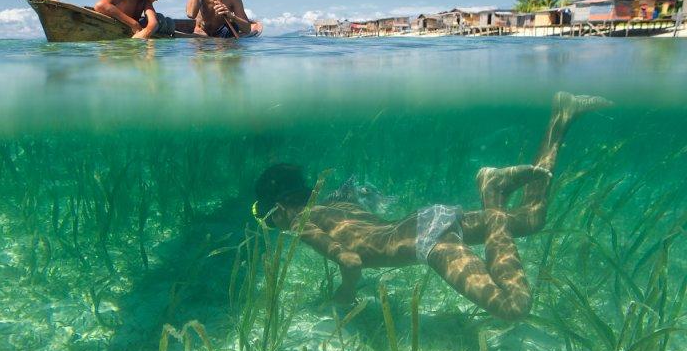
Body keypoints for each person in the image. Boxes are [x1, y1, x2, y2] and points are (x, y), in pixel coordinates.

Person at [254, 92, 613, 321]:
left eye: (268, 217)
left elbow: (351, 260)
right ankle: (561, 117)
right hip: (426, 220)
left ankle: (492, 189)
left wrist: (345, 294)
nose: (273, 223)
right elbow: (365, 201)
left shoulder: (302, 222)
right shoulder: (334, 200)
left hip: (429, 240)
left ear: (279, 206)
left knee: (513, 307)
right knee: (532, 218)